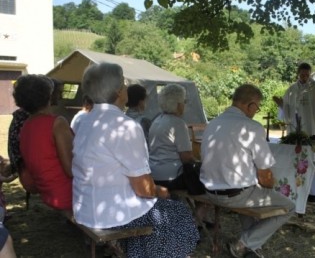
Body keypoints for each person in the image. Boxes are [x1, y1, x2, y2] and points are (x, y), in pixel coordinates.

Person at [72, 63, 199, 258]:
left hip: (85, 207)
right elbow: (144, 189)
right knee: (176, 213)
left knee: (161, 210)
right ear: (119, 92)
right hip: (110, 214)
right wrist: (158, 190)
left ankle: (139, 253)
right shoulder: (124, 126)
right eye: (123, 84)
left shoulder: (85, 120)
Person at [200, 84, 295, 258]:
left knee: (250, 189)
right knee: (289, 206)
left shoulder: (213, 124)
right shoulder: (252, 127)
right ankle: (243, 243)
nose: (256, 111)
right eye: (257, 107)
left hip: (209, 191)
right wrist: (270, 186)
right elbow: (265, 176)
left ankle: (250, 245)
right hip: (235, 195)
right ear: (250, 105)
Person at [273, 62, 315, 202]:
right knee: (299, 159)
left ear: (310, 74)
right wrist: (281, 105)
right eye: (302, 74)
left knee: (313, 158)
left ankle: (314, 192)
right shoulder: (291, 90)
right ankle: (298, 189)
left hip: (314, 127)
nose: (304, 77)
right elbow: (287, 112)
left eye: (307, 75)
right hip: (297, 129)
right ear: (298, 74)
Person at [13, 74, 73, 212]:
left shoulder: (26, 125)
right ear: (49, 95)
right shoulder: (57, 123)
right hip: (68, 195)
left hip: (48, 194)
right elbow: (71, 169)